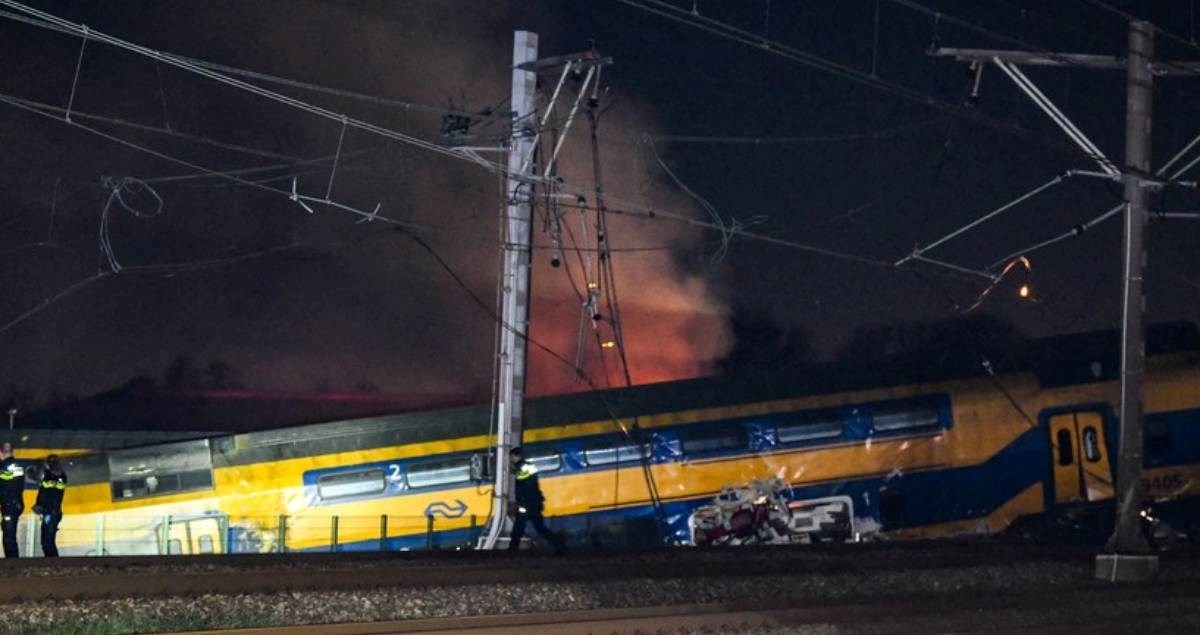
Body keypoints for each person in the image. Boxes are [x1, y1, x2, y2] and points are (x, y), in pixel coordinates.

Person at [508, 447, 567, 554]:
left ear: (517, 456)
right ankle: (559, 544)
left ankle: (512, 549)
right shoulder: (526, 466)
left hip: (527, 503)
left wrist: (513, 470)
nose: (511, 459)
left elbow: (523, 481)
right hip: (533, 502)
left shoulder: (524, 467)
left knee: (520, 527)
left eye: (512, 457)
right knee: (538, 527)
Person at [33, 455, 66, 557]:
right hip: (54, 512)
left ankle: (53, 563)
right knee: (49, 541)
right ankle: (53, 563)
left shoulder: (50, 478)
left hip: (50, 513)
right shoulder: (61, 477)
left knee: (47, 542)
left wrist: (40, 506)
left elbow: (45, 494)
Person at [0, 442, 25, 558]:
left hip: (9, 505)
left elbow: (3, 487)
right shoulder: (17, 466)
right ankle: (14, 561)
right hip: (17, 503)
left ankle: (12, 562)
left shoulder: (3, 467)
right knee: (11, 533)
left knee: (8, 535)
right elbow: (19, 486)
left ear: (1, 453)